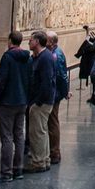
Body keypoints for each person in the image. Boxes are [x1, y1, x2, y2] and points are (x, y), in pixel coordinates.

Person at [0, 31, 31, 183]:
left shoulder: (7, 57)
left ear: (10, 41)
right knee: (19, 135)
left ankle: (6, 171)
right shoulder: (27, 58)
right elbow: (30, 79)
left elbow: (1, 80)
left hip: (8, 102)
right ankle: (18, 168)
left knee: (6, 136)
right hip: (22, 101)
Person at [25, 31, 58, 173]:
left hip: (41, 102)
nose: (29, 42)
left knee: (37, 132)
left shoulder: (45, 58)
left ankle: (38, 162)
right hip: (43, 100)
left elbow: (46, 82)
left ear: (37, 41)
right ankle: (44, 159)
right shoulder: (43, 56)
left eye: (31, 40)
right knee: (42, 131)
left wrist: (37, 102)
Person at [48, 34, 70, 164]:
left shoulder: (56, 54)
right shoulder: (54, 52)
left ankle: (55, 152)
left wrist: (64, 92)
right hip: (54, 93)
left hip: (54, 94)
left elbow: (62, 75)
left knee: (52, 122)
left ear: (50, 41)